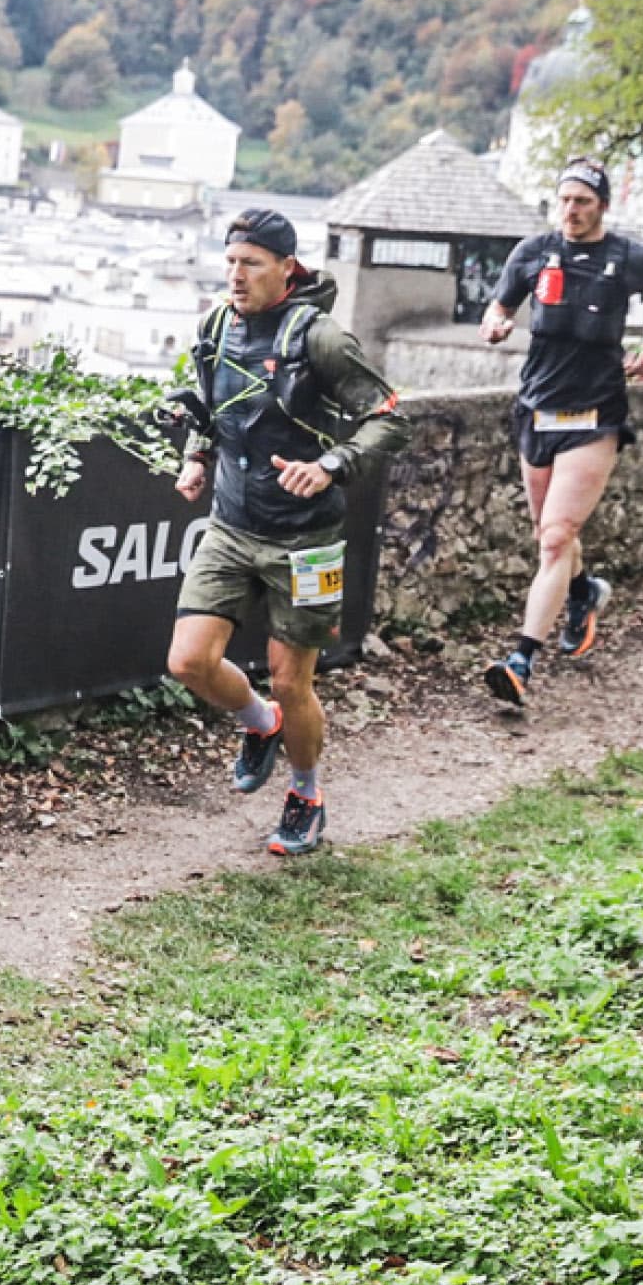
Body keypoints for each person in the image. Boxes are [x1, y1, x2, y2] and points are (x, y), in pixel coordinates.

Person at [164, 208, 411, 856]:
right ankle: (260, 723)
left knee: (290, 681)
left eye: (250, 263)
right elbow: (211, 408)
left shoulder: (319, 338)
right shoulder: (214, 326)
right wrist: (196, 457)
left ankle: (305, 794)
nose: (235, 275)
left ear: (285, 268)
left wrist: (330, 465)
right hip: (230, 525)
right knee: (188, 661)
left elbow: (390, 420)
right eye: (229, 262)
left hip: (305, 541)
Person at [475, 158, 643, 705]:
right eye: (565, 199)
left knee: (557, 536)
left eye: (583, 201)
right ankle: (583, 593)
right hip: (538, 408)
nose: (571, 210)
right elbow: (499, 305)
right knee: (547, 532)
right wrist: (496, 324)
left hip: (595, 412)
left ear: (602, 206)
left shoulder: (631, 258)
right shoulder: (532, 252)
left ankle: (521, 660)